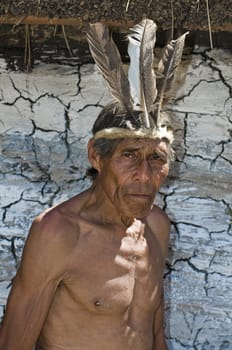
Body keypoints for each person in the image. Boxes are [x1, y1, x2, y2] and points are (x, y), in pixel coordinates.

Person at [0, 19, 186, 350]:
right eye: (129, 155)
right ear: (95, 157)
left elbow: (154, 333)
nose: (144, 174)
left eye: (156, 158)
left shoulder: (156, 227)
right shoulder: (58, 233)